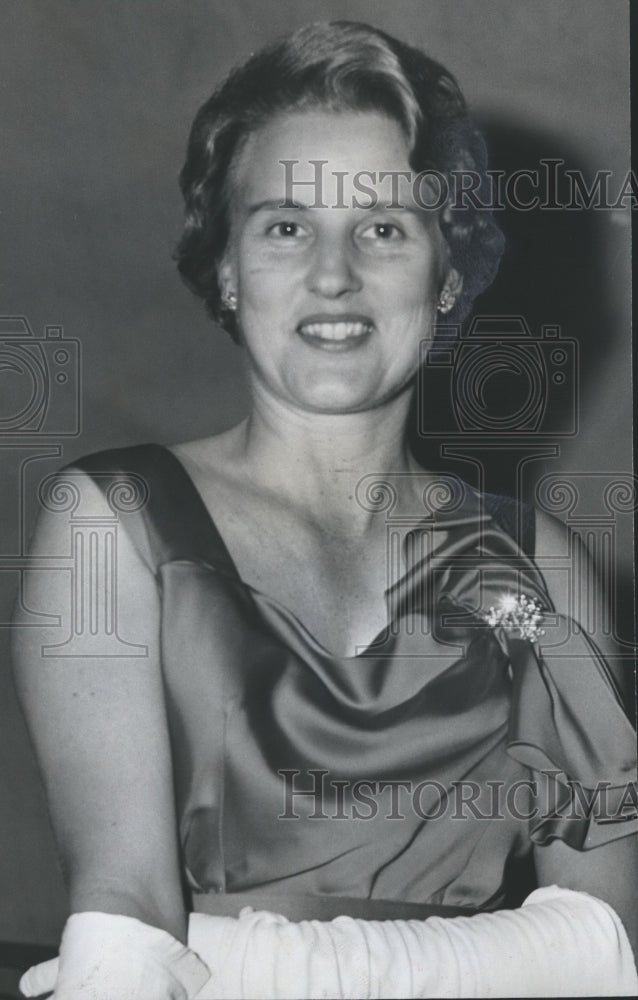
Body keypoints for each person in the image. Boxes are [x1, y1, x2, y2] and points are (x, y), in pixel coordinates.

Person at [12, 20, 637, 999]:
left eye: (383, 227)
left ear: (449, 274)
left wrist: (254, 965)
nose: (332, 272)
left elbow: (603, 939)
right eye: (284, 226)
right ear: (225, 267)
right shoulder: (112, 526)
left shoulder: (537, 577)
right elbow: (124, 919)